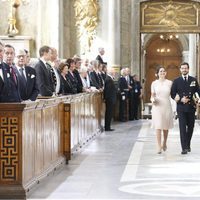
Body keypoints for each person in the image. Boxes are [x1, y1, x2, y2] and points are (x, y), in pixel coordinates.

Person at [171, 62, 200, 154]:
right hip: (181, 107)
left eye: (186, 68)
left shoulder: (193, 80)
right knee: (182, 127)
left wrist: (197, 100)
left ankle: (188, 144)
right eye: (182, 68)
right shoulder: (176, 81)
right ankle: (184, 148)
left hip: (191, 107)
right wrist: (180, 99)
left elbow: (198, 92)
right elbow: (173, 93)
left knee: (191, 127)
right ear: (180, 69)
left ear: (188, 69)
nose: (184, 70)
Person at [151, 66, 173, 154]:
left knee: (165, 126)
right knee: (158, 126)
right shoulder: (154, 83)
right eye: (160, 71)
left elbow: (173, 94)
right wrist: (152, 100)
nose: (162, 72)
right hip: (157, 106)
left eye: (164, 71)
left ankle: (164, 142)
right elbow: (152, 95)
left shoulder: (170, 83)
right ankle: (158, 146)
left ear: (166, 73)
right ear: (157, 73)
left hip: (167, 105)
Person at [104, 67, 117, 131]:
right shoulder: (109, 79)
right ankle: (107, 127)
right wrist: (108, 99)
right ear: (111, 72)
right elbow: (108, 91)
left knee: (110, 113)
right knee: (109, 113)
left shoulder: (110, 79)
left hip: (111, 99)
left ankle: (108, 126)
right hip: (110, 100)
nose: (115, 73)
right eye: (114, 72)